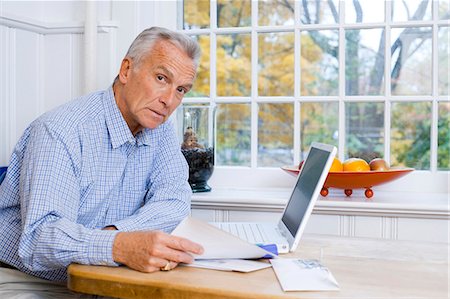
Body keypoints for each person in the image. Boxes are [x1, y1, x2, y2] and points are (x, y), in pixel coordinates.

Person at [0, 27, 204, 297]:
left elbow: (175, 200)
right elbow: (39, 238)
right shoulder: (59, 131)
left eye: (180, 89)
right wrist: (118, 245)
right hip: (30, 278)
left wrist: (116, 237)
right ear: (126, 70)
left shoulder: (159, 125)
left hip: (107, 274)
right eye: (160, 78)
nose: (169, 100)